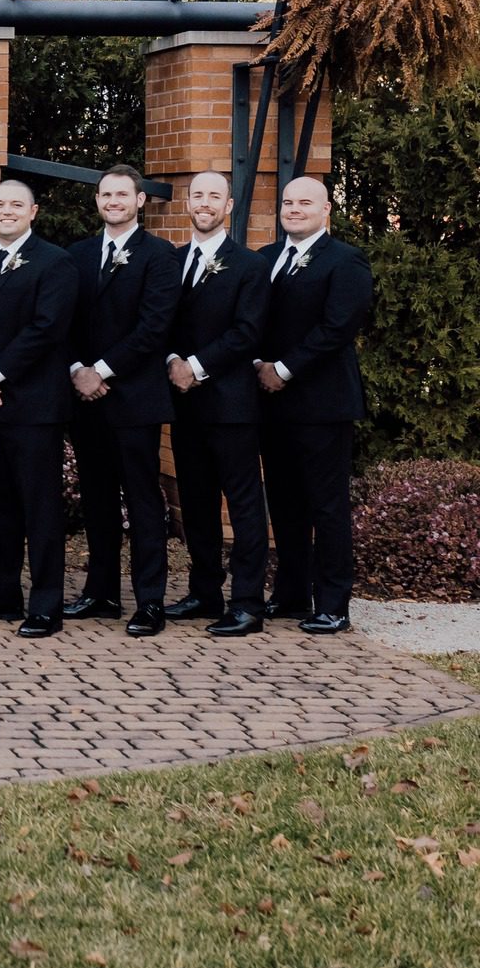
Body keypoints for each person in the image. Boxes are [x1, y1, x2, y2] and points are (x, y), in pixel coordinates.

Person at [0, 180, 79, 639]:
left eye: (15, 205)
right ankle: (0, 593)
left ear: (33, 212)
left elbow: (46, 330)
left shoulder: (56, 263)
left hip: (32, 407)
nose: (6, 211)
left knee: (39, 509)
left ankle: (46, 605)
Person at [63, 164, 179, 638]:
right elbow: (63, 322)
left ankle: (150, 600)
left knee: (143, 499)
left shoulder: (159, 256)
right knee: (96, 497)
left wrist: (101, 371)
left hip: (134, 397)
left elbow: (154, 327)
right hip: (86, 399)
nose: (113, 202)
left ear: (139, 201)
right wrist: (76, 371)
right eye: (106, 195)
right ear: (98, 201)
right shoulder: (77, 255)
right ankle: (102, 592)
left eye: (122, 195)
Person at [255, 176, 374, 635]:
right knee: (284, 503)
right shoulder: (265, 259)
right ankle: (289, 594)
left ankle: (333, 604)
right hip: (272, 404)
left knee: (327, 505)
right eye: (288, 202)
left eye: (305, 202)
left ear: (327, 211)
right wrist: (258, 364)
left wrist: (282, 368)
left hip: (323, 403)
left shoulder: (346, 261)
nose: (294, 209)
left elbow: (337, 327)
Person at [163, 172, 271, 637]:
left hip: (230, 405)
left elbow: (248, 333)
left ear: (229, 206)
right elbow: (160, 323)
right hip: (184, 404)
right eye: (197, 195)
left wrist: (197, 366)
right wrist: (172, 361)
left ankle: (247, 602)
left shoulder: (248, 265)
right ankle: (205, 590)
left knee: (243, 504)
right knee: (196, 501)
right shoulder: (173, 262)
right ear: (188, 203)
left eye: (214, 196)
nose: (204, 203)